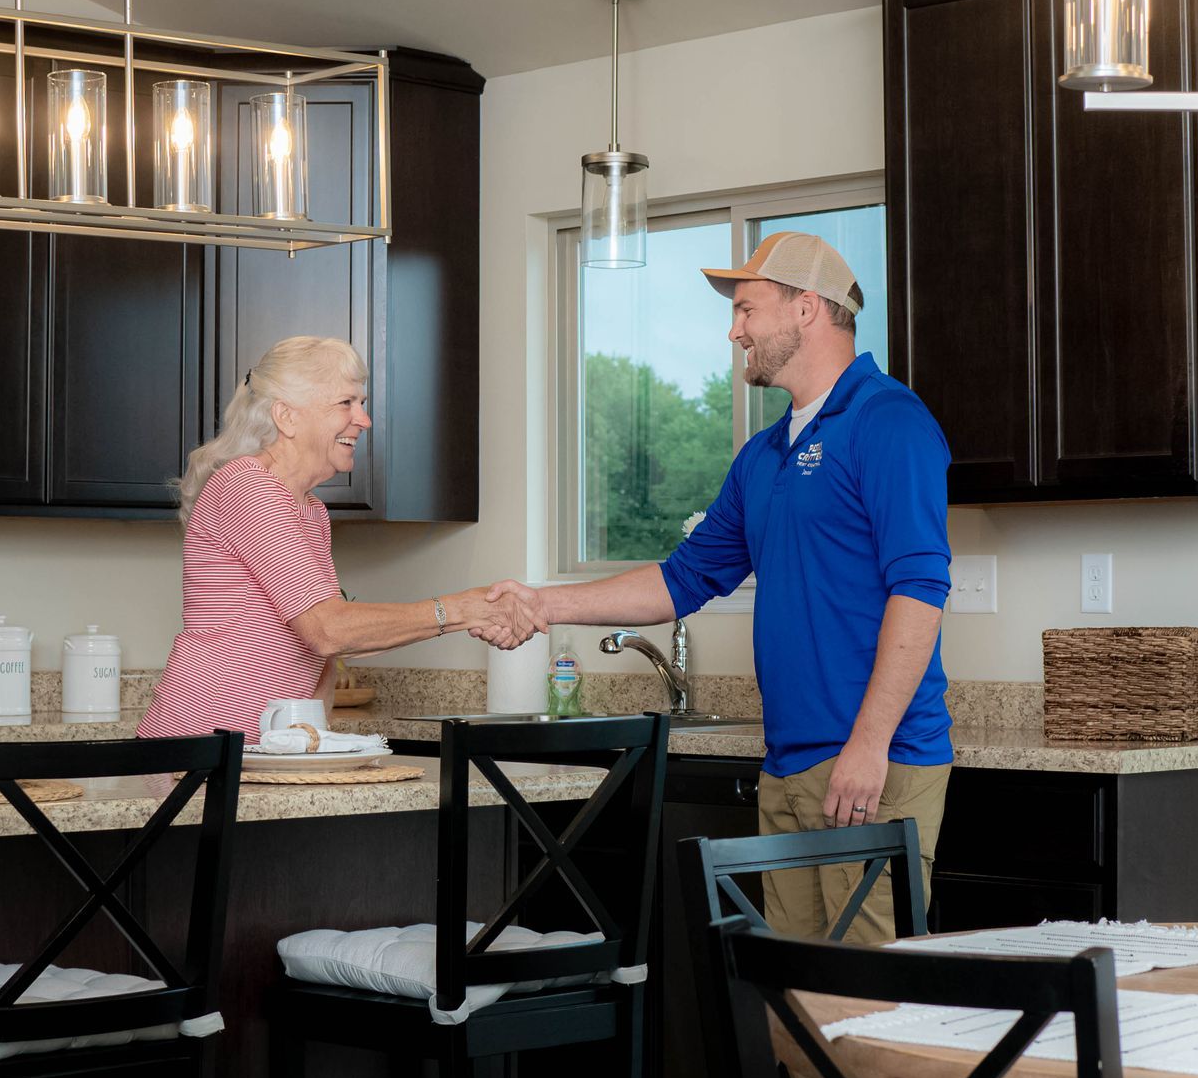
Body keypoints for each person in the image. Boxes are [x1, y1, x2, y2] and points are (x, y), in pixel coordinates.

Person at [495, 232, 952, 943]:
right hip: (790, 764)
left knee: (867, 1008)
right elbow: (682, 580)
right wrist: (542, 603)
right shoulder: (765, 455)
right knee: (792, 1010)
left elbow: (920, 590)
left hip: (875, 763)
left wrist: (869, 747)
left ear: (807, 310)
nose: (734, 329)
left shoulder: (887, 421)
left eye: (746, 309)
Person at [138, 336, 542, 742]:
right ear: (287, 417)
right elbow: (328, 629)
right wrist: (462, 610)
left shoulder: (310, 510)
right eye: (346, 403)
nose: (364, 420)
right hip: (197, 747)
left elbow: (322, 651)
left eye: (361, 404)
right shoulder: (247, 486)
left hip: (260, 750)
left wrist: (315, 744)